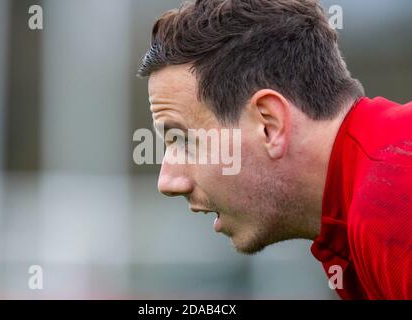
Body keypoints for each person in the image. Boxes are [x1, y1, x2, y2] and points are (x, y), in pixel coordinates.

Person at [137, 0, 411, 299]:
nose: (167, 182)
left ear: (270, 124)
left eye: (183, 140)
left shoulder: (394, 203)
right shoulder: (371, 196)